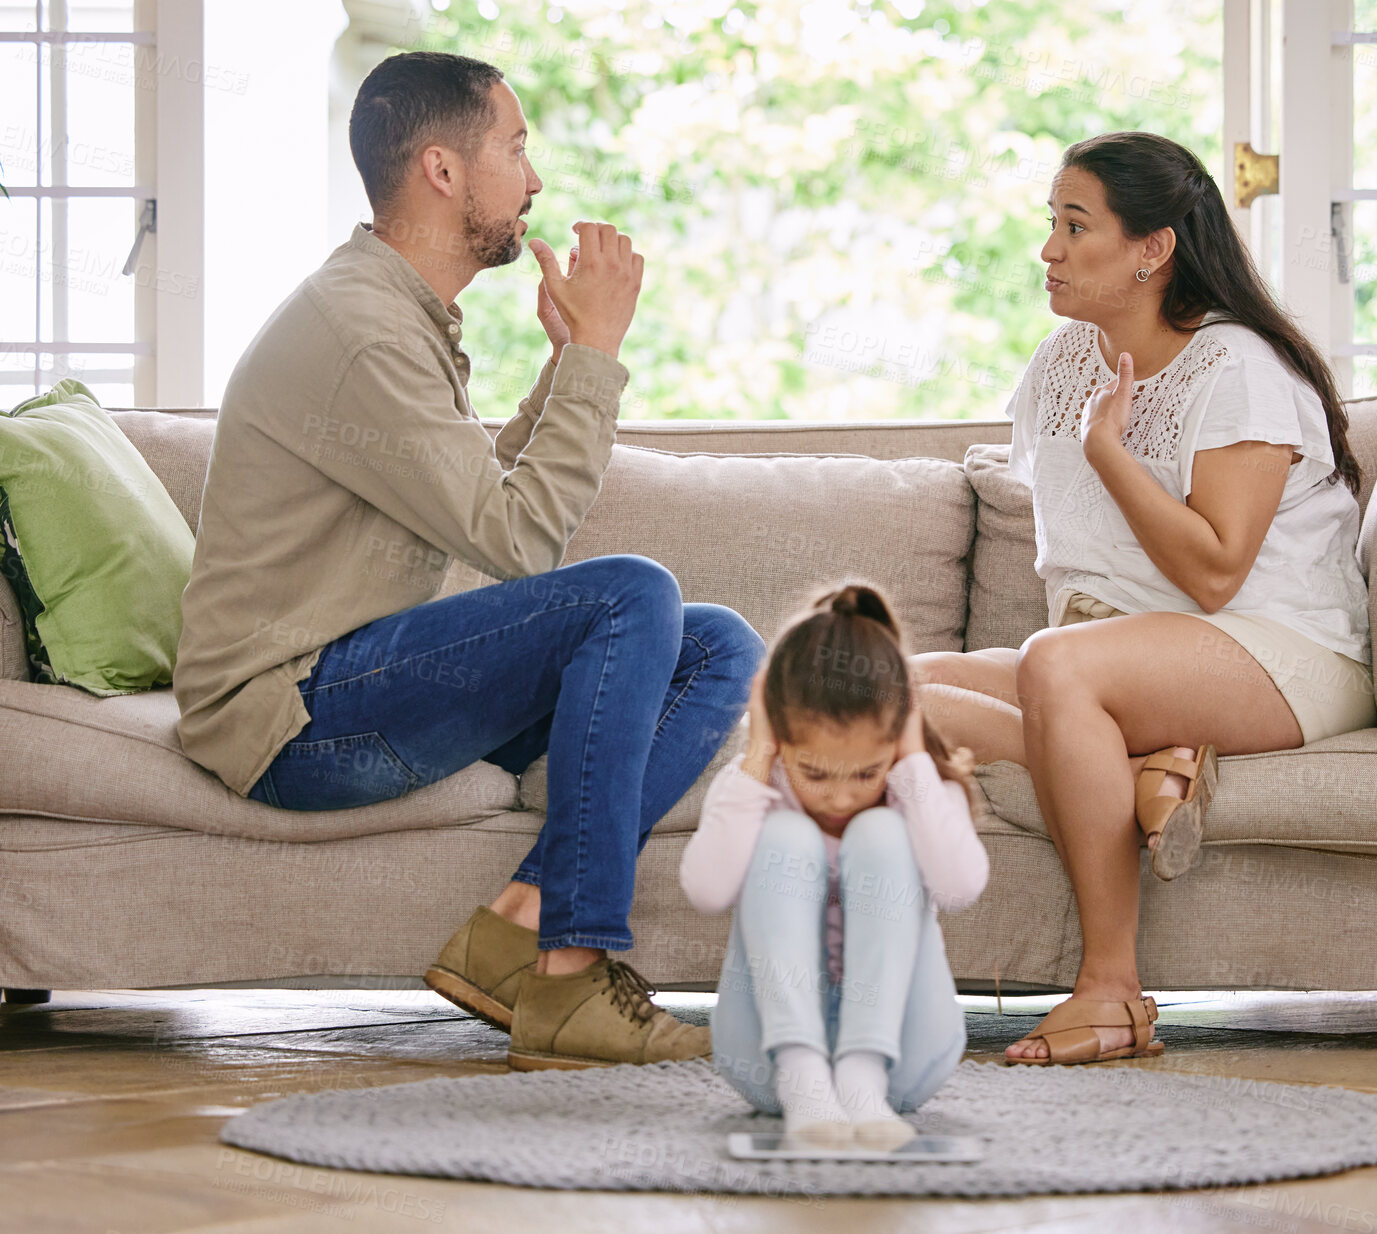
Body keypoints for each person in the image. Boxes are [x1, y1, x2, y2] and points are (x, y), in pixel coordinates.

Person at [173, 51, 763, 1069]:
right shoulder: (361, 330)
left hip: (357, 674)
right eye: (515, 147)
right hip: (293, 714)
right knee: (633, 594)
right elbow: (518, 542)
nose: (532, 180)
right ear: (444, 171)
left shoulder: (387, 309)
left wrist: (557, 372)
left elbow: (469, 501)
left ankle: (518, 920)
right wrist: (595, 359)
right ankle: (571, 972)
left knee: (716, 644)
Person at [911, 131, 1375, 1066]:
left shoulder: (1233, 364)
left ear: (1151, 250)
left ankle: (1110, 991)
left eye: (1075, 225)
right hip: (1127, 661)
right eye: (1051, 222)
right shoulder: (1061, 362)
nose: (1047, 247)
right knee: (882, 686)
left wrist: (1110, 455)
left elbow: (1214, 572)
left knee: (1057, 665)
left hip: (1278, 648)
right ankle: (1138, 764)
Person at [680, 583, 988, 1148]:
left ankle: (861, 1078)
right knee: (784, 834)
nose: (841, 798)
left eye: (865, 773)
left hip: (904, 1060)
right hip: (769, 1064)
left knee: (882, 832)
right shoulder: (759, 785)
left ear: (897, 737)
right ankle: (807, 1078)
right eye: (816, 774)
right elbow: (705, 890)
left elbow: (962, 886)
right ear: (777, 731)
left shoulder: (910, 784)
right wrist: (756, 759)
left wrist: (915, 761)